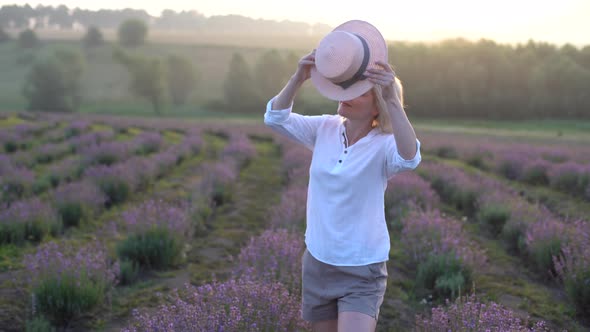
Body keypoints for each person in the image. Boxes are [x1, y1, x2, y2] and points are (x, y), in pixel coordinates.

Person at [263, 20, 421, 332]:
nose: (344, 95)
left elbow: (410, 156)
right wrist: (298, 78)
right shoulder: (324, 128)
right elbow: (274, 117)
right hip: (319, 261)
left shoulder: (384, 146)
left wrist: (393, 99)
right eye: (344, 88)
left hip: (363, 269)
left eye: (357, 93)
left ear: (376, 106)